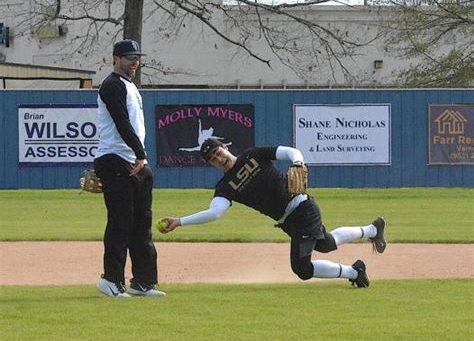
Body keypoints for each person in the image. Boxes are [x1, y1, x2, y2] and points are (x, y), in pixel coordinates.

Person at [160, 139, 386, 287]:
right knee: (326, 243)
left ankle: (355, 274)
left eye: (219, 153)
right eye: (214, 160)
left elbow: (290, 151)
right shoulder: (225, 186)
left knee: (302, 268)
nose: (220, 159)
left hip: (302, 207)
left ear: (226, 147)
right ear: (212, 165)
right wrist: (180, 222)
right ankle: (372, 230)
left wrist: (297, 161)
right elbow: (215, 213)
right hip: (290, 221)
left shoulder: (254, 154)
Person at [94, 39, 165, 298]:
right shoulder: (111, 85)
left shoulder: (130, 86)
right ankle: (111, 280)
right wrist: (141, 153)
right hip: (114, 158)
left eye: (136, 57)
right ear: (115, 58)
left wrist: (139, 157)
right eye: (128, 57)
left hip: (135, 161)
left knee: (141, 223)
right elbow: (122, 123)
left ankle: (143, 282)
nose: (134, 61)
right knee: (121, 222)